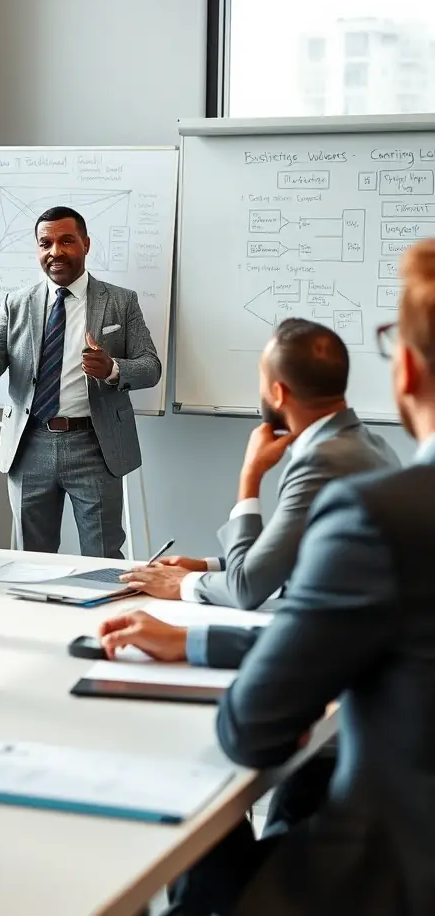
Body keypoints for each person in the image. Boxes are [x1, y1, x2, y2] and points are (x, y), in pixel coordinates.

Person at [159, 239, 435, 915]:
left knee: (182, 804)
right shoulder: (381, 475)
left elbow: (251, 728)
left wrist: (248, 481)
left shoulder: (379, 513)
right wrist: (199, 640)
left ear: (404, 368)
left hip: (387, 877)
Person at [0, 205, 161, 558]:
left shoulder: (120, 302)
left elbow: (151, 366)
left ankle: (101, 615)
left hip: (96, 445)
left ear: (86, 244)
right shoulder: (17, 303)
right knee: (31, 559)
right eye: (45, 244)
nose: (55, 251)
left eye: (66, 241)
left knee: (102, 557)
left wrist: (112, 369)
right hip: (30, 445)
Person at [120, 318, 398, 609]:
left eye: (261, 376)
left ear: (278, 393)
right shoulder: (371, 444)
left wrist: (249, 475)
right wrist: (208, 566)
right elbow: (292, 555)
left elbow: (246, 588)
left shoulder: (320, 461)